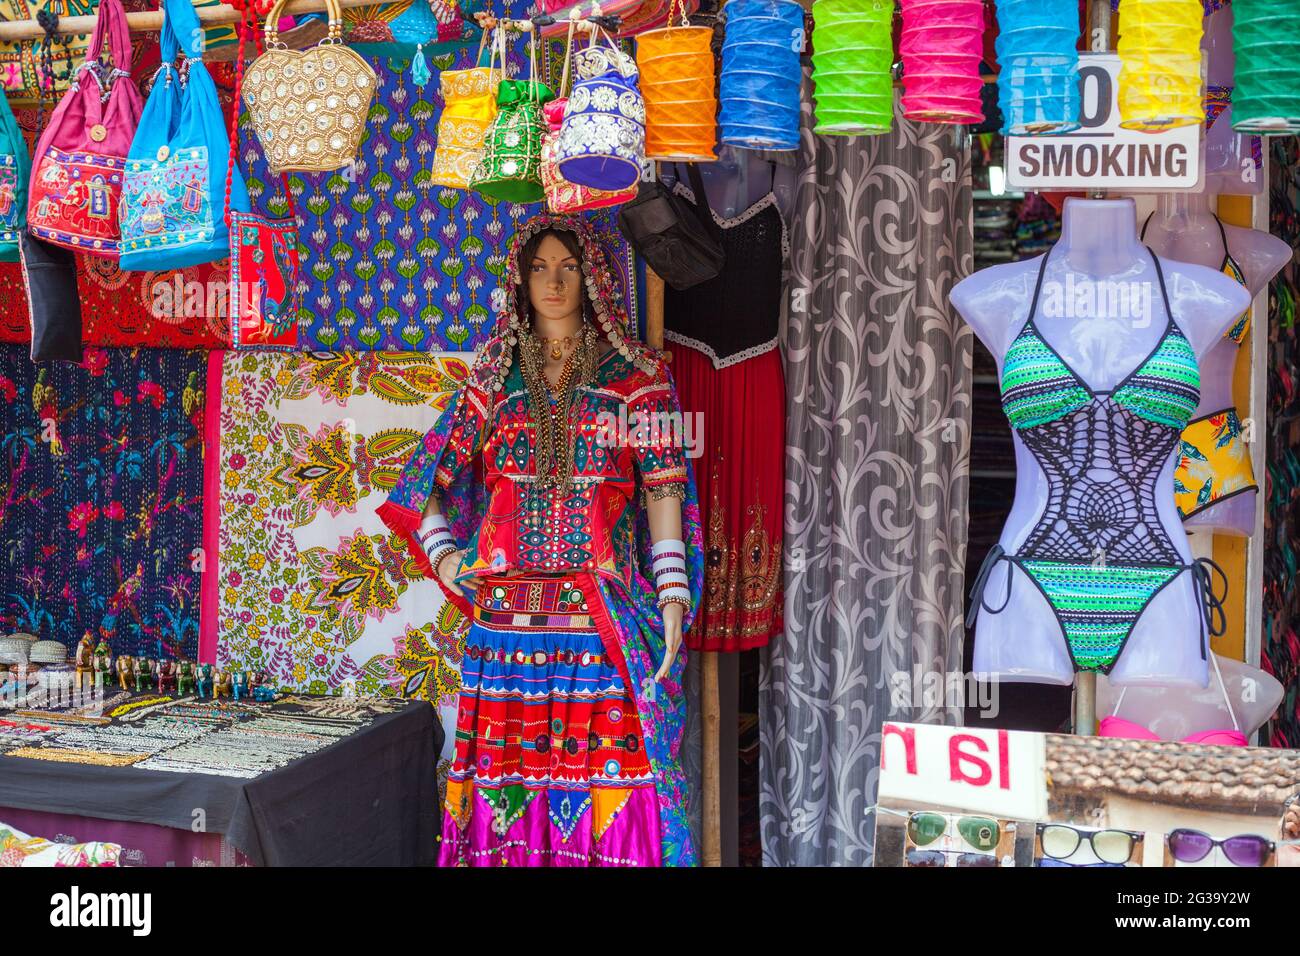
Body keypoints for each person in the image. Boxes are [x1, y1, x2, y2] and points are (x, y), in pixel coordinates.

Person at [378, 212, 703, 867]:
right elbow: (425, 475)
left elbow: (665, 487)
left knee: (611, 789)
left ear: (593, 277)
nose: (553, 281)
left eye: (568, 266)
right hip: (505, 634)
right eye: (538, 268)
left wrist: (671, 596)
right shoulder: (495, 381)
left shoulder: (636, 379)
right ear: (519, 280)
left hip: (597, 622)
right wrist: (444, 558)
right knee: (509, 795)